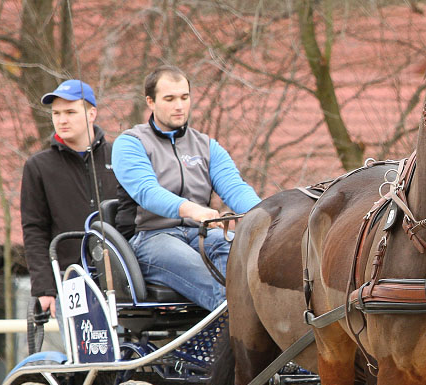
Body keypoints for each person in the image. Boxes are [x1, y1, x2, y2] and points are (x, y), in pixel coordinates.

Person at [112, 65, 261, 311]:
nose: (179, 106)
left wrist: (270, 215)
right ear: (151, 101)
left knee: (240, 253)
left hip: (201, 235)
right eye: (169, 99)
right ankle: (232, 335)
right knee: (214, 281)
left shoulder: (207, 146)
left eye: (184, 97)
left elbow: (235, 189)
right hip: (151, 238)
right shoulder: (130, 143)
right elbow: (147, 192)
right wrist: (193, 210)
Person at [20, 79, 119, 318]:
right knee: (83, 354)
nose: (62, 120)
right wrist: (45, 289)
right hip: (71, 280)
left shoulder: (121, 156)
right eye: (56, 113)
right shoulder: (38, 167)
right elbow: (34, 231)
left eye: (70, 112)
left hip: (123, 277)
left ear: (92, 113)